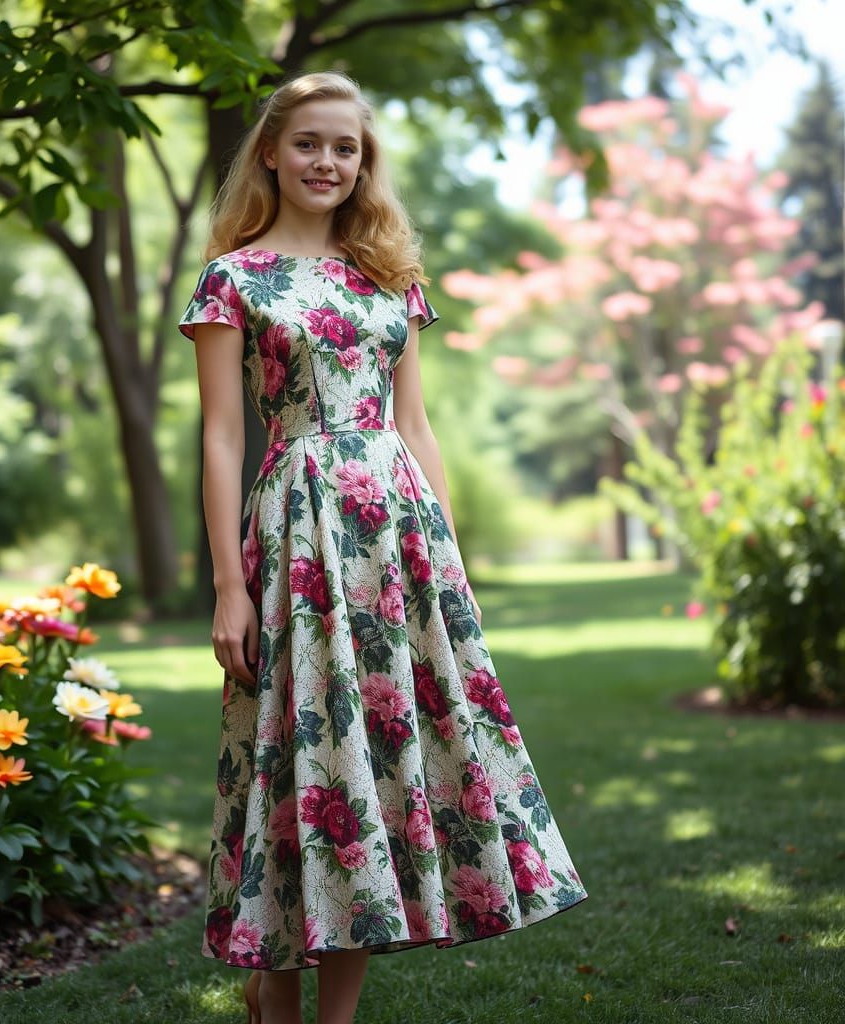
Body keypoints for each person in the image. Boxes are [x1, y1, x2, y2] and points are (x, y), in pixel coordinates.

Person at [178, 69, 588, 1024]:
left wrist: (449, 559)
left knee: (374, 758)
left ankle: (336, 1018)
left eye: (347, 147)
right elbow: (222, 437)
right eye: (310, 142)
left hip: (396, 537)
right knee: (294, 754)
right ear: (272, 152)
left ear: (365, 164)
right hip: (296, 531)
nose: (328, 161)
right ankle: (271, 993)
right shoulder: (234, 278)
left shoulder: (389, 274)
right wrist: (228, 588)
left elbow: (417, 422)